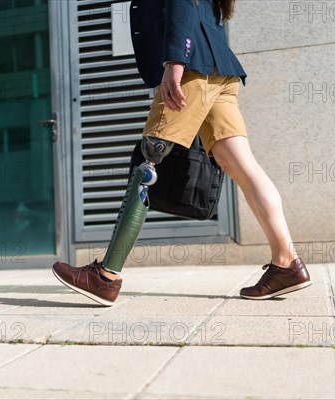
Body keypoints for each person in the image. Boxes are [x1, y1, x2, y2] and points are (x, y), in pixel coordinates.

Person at [52, 0, 312, 306]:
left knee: (149, 161)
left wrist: (175, 61)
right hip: (219, 71)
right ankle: (286, 264)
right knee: (242, 165)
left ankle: (106, 276)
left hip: (190, 69)